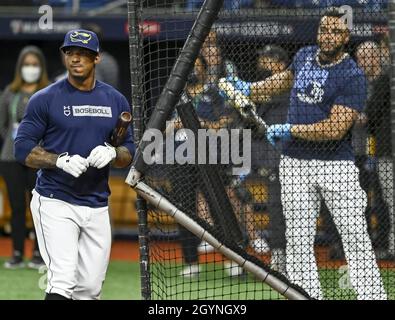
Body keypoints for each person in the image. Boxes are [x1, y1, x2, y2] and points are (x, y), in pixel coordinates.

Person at [223, 7, 387, 300]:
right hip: (294, 165)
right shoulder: (305, 55)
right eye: (324, 29)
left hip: (335, 167)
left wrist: (290, 130)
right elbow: (281, 82)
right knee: (297, 242)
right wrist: (248, 89)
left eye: (335, 31)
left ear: (345, 36)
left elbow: (335, 129)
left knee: (356, 239)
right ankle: (307, 297)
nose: (327, 36)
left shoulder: (352, 76)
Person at [14, 29, 135, 300]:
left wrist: (114, 155)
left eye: (83, 54)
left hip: (97, 203)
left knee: (90, 290)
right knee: (63, 280)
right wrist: (58, 160)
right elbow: (22, 149)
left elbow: (131, 150)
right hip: (55, 200)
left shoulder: (115, 100)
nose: (75, 59)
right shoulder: (45, 98)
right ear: (64, 56)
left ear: (96, 58)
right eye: (70, 53)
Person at [0, 45, 49, 269]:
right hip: (11, 157)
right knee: (17, 207)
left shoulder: (49, 92)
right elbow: (3, 126)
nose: (31, 69)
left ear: (41, 67)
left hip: (38, 157)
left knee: (39, 206)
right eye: (27, 65)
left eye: (35, 64)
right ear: (20, 67)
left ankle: (39, 254)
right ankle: (17, 253)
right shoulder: (10, 92)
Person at [250, 44, 290, 273]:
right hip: (270, 158)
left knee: (294, 211)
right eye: (262, 58)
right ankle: (279, 256)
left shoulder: (291, 87)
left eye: (266, 59)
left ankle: (294, 256)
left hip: (293, 158)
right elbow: (253, 127)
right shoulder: (257, 91)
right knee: (275, 208)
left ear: (280, 63)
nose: (262, 63)